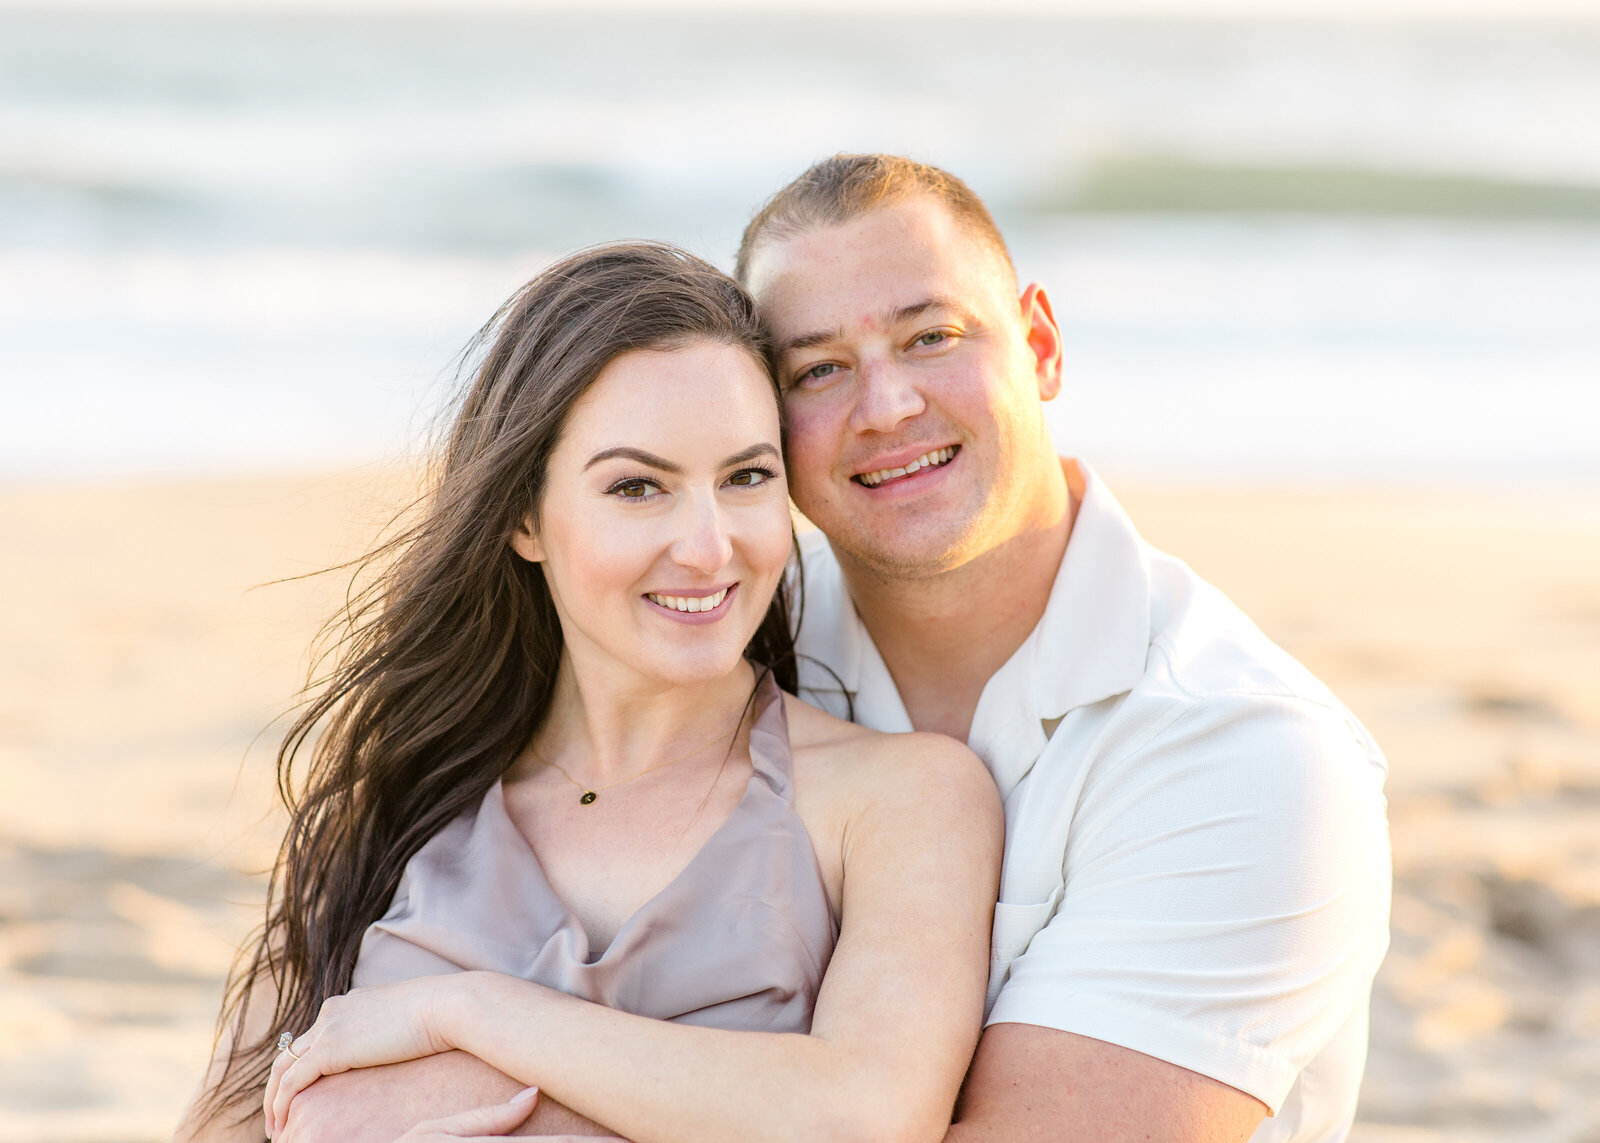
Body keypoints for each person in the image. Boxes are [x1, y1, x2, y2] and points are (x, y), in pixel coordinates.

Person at [171, 242, 1001, 1142]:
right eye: (638, 486)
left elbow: (869, 1111)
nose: (708, 544)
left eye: (746, 477)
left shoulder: (901, 798)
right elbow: (227, 1120)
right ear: (525, 517)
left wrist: (473, 1014)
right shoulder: (401, 798)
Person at [734, 154, 1393, 1143]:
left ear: (1039, 345)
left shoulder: (1245, 756)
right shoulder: (729, 654)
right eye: (818, 369)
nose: (885, 408)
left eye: (932, 337)